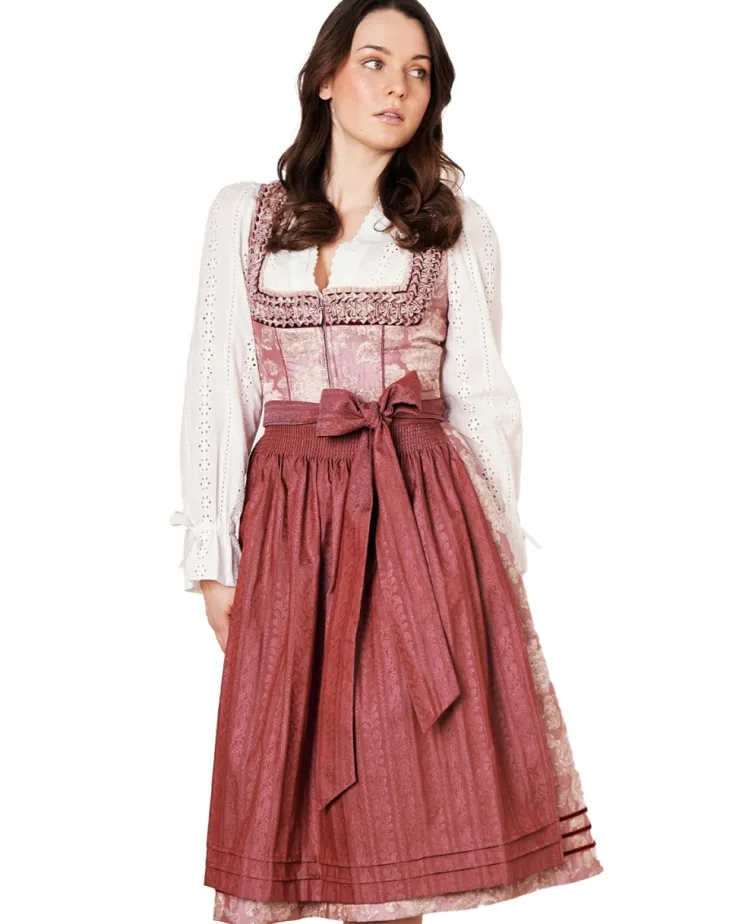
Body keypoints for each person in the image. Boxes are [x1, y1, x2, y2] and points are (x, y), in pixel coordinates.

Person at [170, 2, 604, 922]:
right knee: (279, 766)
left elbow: (482, 401)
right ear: (325, 78)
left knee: (401, 781)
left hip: (420, 521)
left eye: (418, 72)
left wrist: (491, 568)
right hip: (290, 525)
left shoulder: (455, 228)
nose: (397, 87)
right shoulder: (244, 216)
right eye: (374, 62)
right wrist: (212, 555)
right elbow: (218, 385)